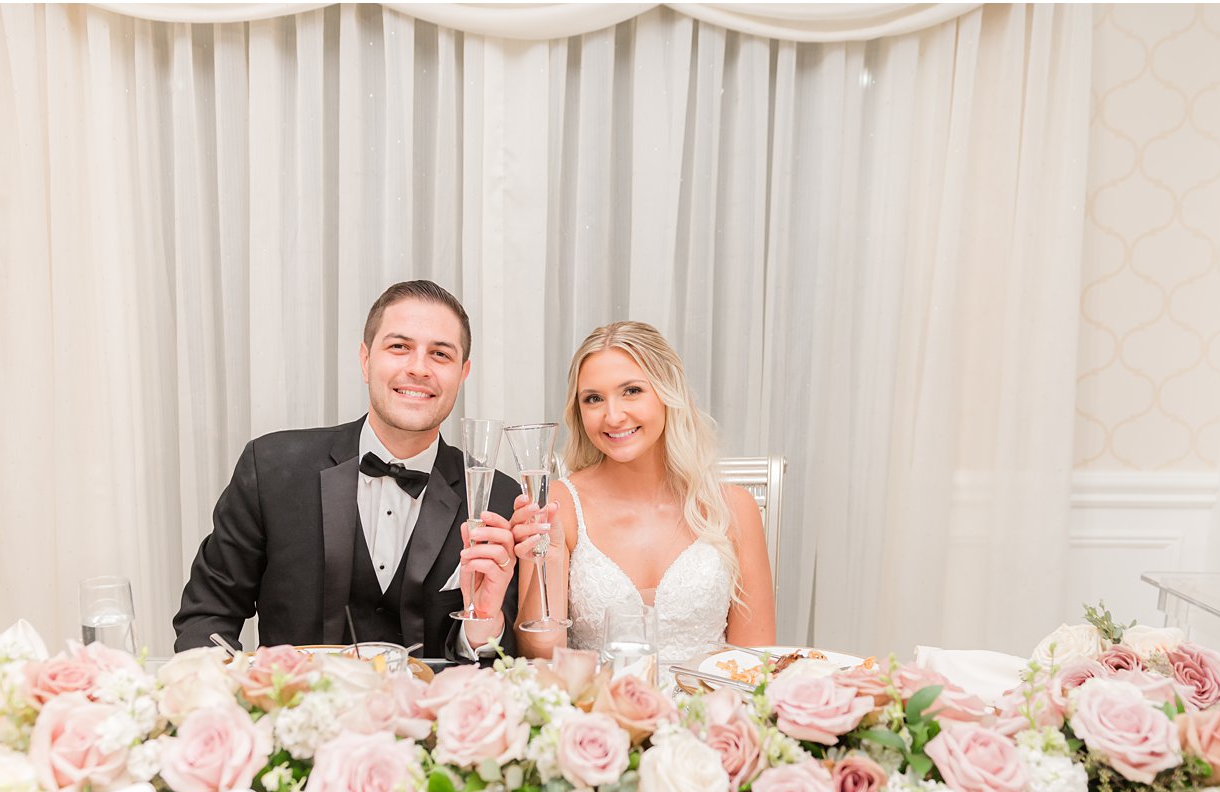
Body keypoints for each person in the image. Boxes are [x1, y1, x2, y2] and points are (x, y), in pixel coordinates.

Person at [173, 280, 521, 659]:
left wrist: (482, 623)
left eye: (440, 354)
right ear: (366, 360)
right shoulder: (272, 467)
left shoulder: (496, 499)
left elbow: (500, 663)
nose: (419, 368)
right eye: (399, 347)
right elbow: (208, 615)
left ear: (462, 373)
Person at [510, 321, 775, 663]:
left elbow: (756, 661)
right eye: (593, 399)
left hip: (707, 711)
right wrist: (551, 556)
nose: (614, 415)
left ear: (667, 392)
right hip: (595, 712)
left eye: (632, 391)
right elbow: (539, 657)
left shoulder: (735, 509)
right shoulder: (558, 505)